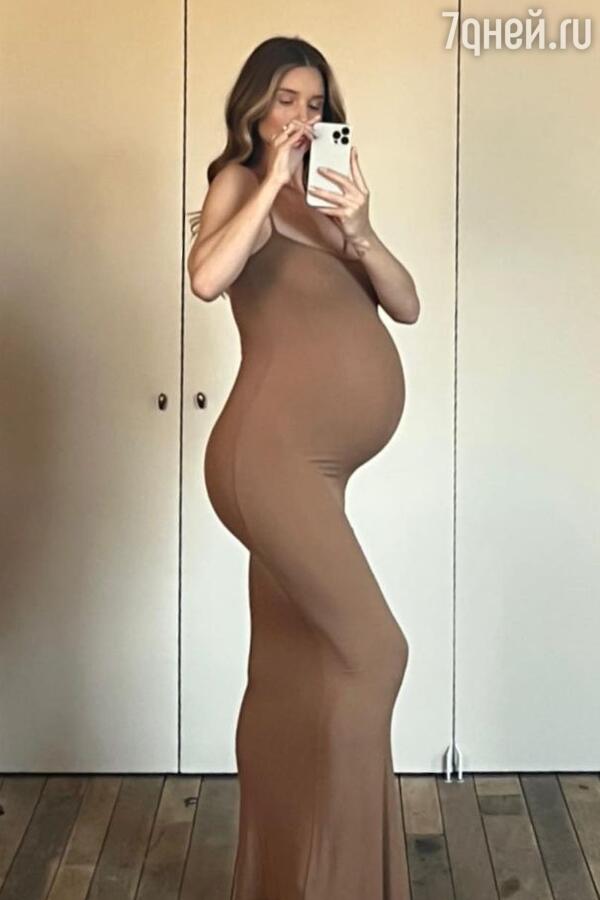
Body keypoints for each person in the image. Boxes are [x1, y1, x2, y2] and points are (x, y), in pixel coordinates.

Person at [187, 34, 420, 900]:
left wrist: (359, 231)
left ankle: (280, 881)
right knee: (376, 653)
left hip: (313, 471)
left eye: (315, 105)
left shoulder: (331, 204)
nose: (300, 115)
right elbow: (207, 277)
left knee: (298, 664)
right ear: (255, 105)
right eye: (286, 99)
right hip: (269, 459)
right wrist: (271, 181)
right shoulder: (237, 184)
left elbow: (407, 304)